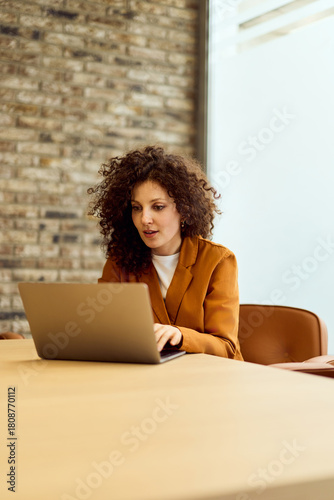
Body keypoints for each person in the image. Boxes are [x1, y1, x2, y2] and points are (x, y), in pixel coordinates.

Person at [88, 145, 243, 360]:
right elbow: (103, 331)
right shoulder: (120, 262)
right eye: (136, 207)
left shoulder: (218, 260)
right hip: (145, 378)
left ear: (184, 209)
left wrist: (180, 336)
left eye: (158, 207)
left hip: (209, 381)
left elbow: (226, 347)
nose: (145, 219)